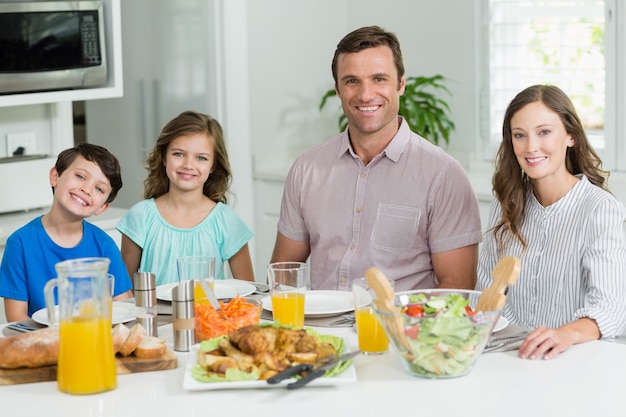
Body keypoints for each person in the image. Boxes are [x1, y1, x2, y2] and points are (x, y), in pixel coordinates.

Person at [270, 26, 482, 292]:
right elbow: (283, 275)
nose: (366, 94)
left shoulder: (444, 175)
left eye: (379, 79)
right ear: (337, 88)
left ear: (401, 84)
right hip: (319, 331)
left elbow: (456, 289)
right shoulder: (306, 169)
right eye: (352, 81)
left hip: (398, 330)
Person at [476, 84, 626, 360]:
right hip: (505, 359)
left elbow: (611, 310)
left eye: (544, 132)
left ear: (570, 136)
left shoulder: (600, 210)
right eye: (519, 135)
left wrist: (564, 334)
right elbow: (485, 294)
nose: (531, 147)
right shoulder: (505, 203)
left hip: (570, 362)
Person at [117, 111, 254, 285]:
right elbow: (123, 292)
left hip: (210, 312)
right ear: (164, 157)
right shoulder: (140, 217)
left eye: (201, 158)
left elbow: (250, 292)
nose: (188, 165)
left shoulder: (227, 221)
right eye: (178, 154)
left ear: (213, 166)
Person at [0, 143, 133, 322]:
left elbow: (124, 309)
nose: (86, 189)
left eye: (99, 189)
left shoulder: (104, 245)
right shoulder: (20, 243)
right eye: (80, 176)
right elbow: (16, 318)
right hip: (43, 344)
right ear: (55, 176)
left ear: (102, 207)